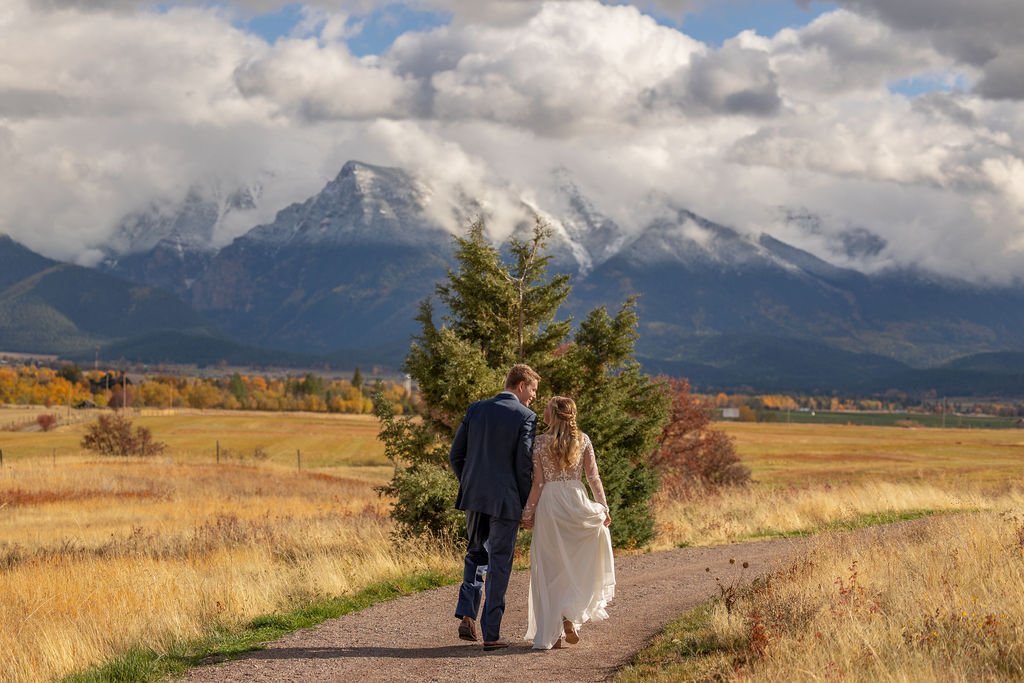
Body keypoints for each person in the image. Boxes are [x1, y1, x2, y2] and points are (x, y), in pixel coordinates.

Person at [449, 363, 540, 651]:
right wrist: (526, 504)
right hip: (506, 501)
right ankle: (492, 634)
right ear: (522, 385)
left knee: (475, 555)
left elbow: (456, 455)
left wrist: (471, 481)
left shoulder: (476, 409)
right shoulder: (525, 416)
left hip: (474, 497)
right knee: (499, 563)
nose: (535, 397)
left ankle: (467, 613)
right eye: (534, 390)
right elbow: (523, 464)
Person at [521, 396, 615, 650]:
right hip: (575, 501)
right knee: (573, 562)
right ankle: (568, 616)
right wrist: (604, 507)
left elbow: (538, 483)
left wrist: (527, 512)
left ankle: (555, 625)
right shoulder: (583, 440)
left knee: (551, 566)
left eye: (547, 409)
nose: (543, 412)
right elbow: (593, 477)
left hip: (550, 504)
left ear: (553, 414)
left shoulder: (539, 442)